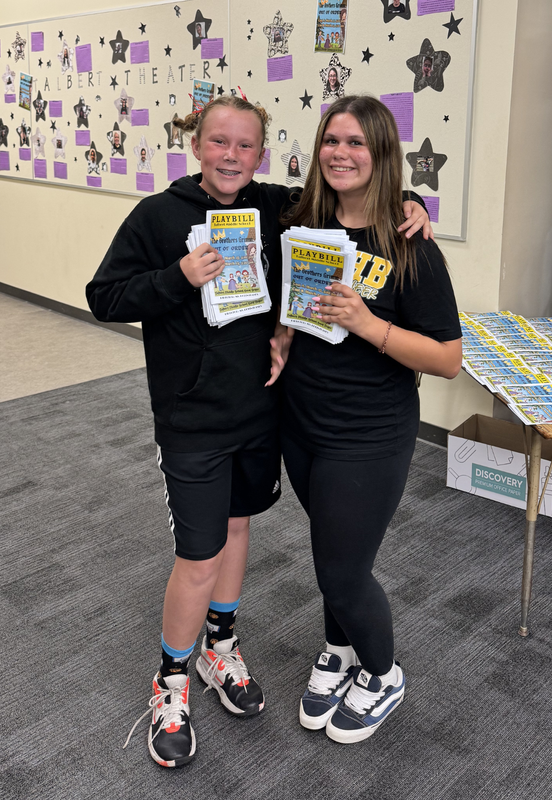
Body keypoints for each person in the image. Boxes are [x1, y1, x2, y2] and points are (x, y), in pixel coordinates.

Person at [86, 95, 431, 769]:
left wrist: (412, 198)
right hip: (190, 420)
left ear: (261, 156)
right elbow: (106, 296)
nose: (231, 156)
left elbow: (346, 190)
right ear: (198, 146)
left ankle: (220, 646)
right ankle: (171, 681)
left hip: (259, 416)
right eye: (220, 143)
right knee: (198, 555)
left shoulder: (276, 206)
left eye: (246, 147)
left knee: (239, 529)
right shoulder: (158, 216)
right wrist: (175, 278)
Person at [275, 95, 461, 745]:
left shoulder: (411, 245)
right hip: (300, 425)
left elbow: (446, 359)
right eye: (331, 140)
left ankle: (382, 673)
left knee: (342, 572)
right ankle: (340, 649)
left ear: (382, 153)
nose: (341, 153)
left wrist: (368, 324)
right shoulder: (301, 221)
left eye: (357, 143)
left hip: (370, 435)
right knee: (334, 549)